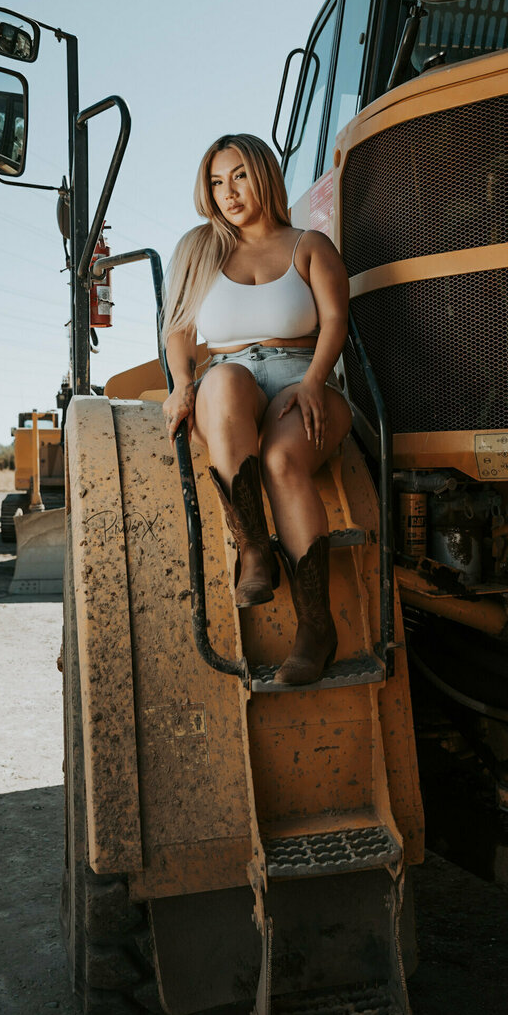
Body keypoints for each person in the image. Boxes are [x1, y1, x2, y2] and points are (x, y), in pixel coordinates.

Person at [161, 134, 352, 684]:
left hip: (302, 376)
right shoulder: (198, 249)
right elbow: (179, 330)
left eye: (239, 176)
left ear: (264, 175)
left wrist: (314, 381)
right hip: (231, 380)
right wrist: (182, 384)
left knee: (280, 461)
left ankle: (316, 629)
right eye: (217, 182)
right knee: (220, 383)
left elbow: (335, 321)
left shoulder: (309, 245)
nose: (229, 192)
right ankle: (254, 549)